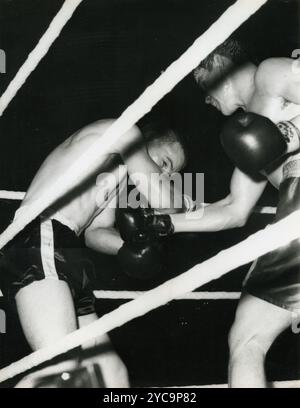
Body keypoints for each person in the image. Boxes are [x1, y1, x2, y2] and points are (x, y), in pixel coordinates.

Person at [118, 39, 300, 387]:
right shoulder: (247, 130)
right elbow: (234, 210)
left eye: (199, 78)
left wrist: (288, 135)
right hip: (294, 205)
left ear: (216, 60)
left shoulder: (270, 74)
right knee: (246, 338)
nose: (204, 97)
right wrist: (164, 224)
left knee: (248, 339)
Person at [0, 118, 187, 387]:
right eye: (166, 164)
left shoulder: (116, 173)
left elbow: (96, 232)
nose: (165, 175)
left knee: (112, 375)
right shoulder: (123, 132)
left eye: (172, 174)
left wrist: (132, 248)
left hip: (67, 250)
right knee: (62, 368)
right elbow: (166, 203)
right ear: (148, 142)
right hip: (42, 234)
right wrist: (188, 208)